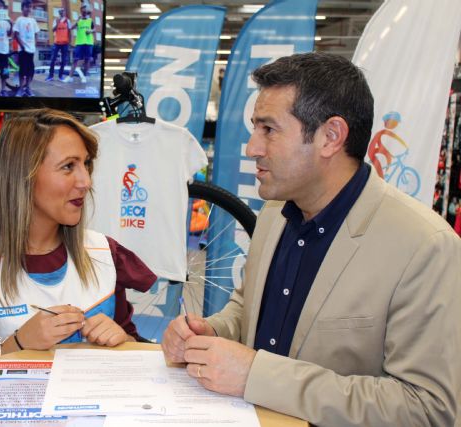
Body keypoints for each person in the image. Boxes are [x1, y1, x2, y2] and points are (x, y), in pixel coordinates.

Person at [161, 52, 461, 426]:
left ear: (330, 137)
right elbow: (247, 307)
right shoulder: (275, 214)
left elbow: (428, 409)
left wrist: (257, 375)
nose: (252, 147)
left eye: (268, 130)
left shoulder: (423, 246)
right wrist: (213, 332)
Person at [0, 109, 157, 391]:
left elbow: (133, 349)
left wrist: (122, 341)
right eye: (68, 166)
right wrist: (17, 344)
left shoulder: (103, 254)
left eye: (85, 165)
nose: (86, 182)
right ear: (23, 176)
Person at [13, 0, 39, 97]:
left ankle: (28, 87)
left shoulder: (33, 21)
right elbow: (16, 34)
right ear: (22, 8)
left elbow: (36, 33)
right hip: (23, 50)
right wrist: (23, 45)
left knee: (30, 70)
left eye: (30, 7)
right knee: (22, 70)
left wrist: (34, 44)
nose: (28, 9)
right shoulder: (19, 20)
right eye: (26, 7)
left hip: (31, 50)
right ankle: (20, 89)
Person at [64, 4, 94, 84]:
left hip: (88, 42)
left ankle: (85, 76)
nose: (84, 12)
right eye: (83, 11)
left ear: (87, 12)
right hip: (79, 42)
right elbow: (71, 28)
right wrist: (77, 20)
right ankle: (70, 77)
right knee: (75, 60)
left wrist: (90, 31)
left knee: (87, 60)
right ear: (81, 11)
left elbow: (94, 29)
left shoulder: (90, 20)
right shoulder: (79, 20)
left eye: (85, 11)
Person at [46, 8, 71, 82]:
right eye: (61, 11)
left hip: (65, 43)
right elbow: (53, 30)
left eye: (63, 11)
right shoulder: (56, 20)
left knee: (64, 60)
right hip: (56, 43)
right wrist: (57, 23)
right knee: (53, 59)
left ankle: (60, 76)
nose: (62, 12)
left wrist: (70, 41)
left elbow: (69, 31)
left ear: (64, 12)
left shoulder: (67, 21)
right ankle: (50, 76)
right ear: (59, 13)